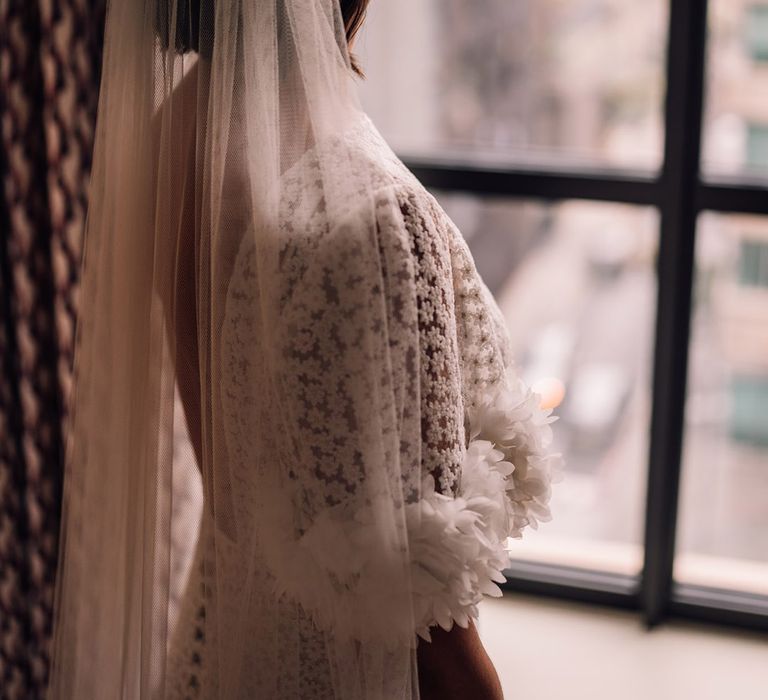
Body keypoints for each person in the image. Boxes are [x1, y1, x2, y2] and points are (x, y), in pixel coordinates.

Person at [47, 1, 561, 698]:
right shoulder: (372, 218)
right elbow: (437, 644)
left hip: (227, 641)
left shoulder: (175, 133)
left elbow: (230, 482)